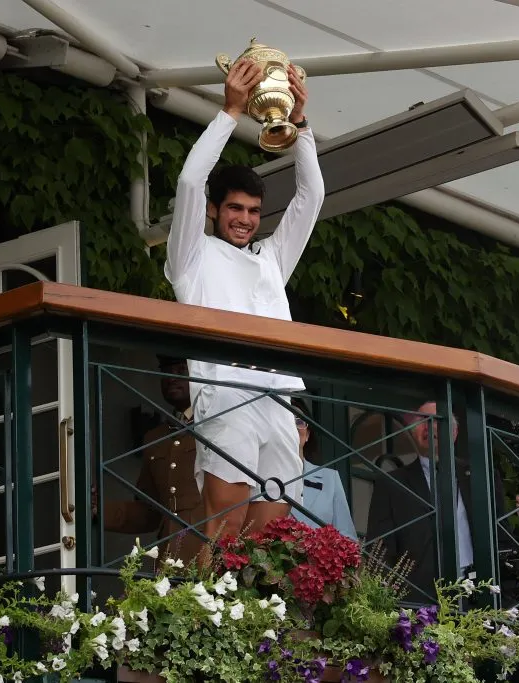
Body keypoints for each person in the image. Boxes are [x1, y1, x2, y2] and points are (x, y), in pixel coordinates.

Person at [164, 57, 325, 543]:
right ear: (214, 210)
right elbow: (191, 182)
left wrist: (299, 123)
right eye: (235, 208)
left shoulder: (271, 258)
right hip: (225, 396)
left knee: (270, 541)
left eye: (254, 211)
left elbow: (311, 196)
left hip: (279, 402)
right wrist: (230, 112)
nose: (245, 219)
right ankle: (211, 619)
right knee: (225, 530)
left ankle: (263, 621)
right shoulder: (190, 257)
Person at [367, 401, 507, 603]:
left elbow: (501, 534)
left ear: (455, 433)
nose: (429, 427)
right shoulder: (391, 484)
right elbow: (379, 551)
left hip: (479, 591)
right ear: (413, 433)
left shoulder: (482, 476)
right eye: (423, 421)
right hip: (419, 601)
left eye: (438, 420)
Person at [98, 355, 204, 564]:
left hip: (207, 548)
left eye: (181, 371)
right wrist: (97, 511)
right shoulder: (156, 437)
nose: (171, 378)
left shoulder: (215, 426)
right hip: (170, 555)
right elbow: (150, 511)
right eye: (165, 372)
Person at [289, 400, 357, 541]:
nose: (293, 427)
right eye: (285, 420)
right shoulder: (260, 478)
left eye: (299, 422)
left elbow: (348, 541)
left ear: (307, 435)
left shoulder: (330, 479)